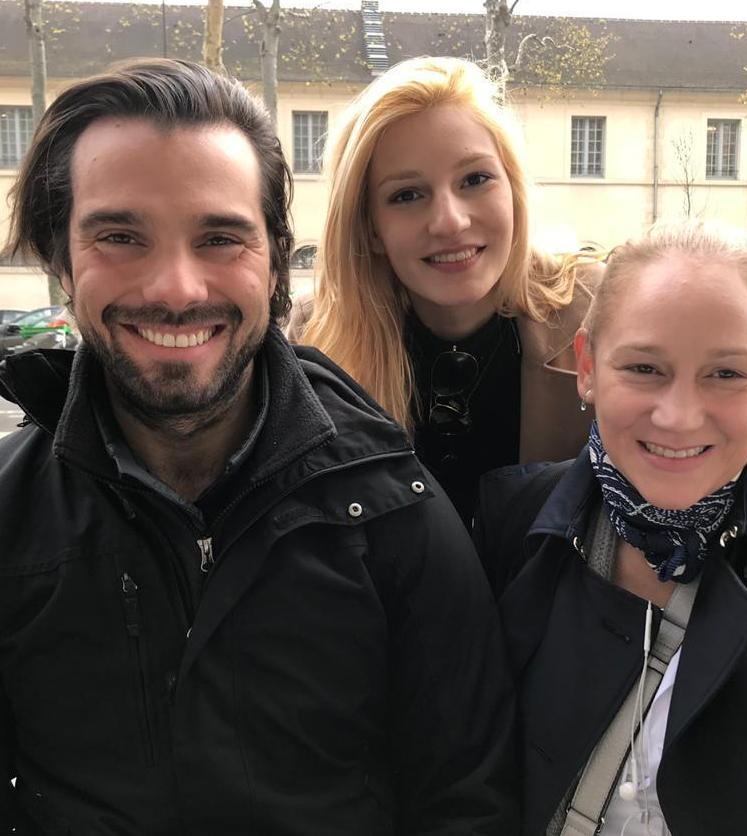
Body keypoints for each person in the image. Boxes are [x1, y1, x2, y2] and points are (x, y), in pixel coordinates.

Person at [0, 59, 517, 835]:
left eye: (219, 238)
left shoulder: (394, 517)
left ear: (275, 260)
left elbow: (467, 804)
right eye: (120, 235)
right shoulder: (10, 520)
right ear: (59, 256)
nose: (177, 289)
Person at [478, 220, 747, 836]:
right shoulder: (515, 524)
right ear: (588, 366)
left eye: (725, 374)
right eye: (644, 367)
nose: (678, 416)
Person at [290, 56, 602, 526]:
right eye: (407, 195)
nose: (451, 222)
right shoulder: (314, 340)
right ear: (370, 228)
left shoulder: (601, 311)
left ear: (512, 191)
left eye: (475, 179)